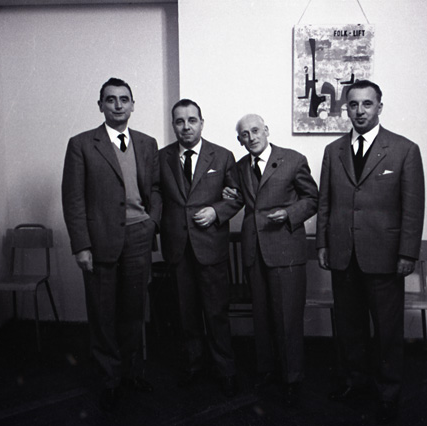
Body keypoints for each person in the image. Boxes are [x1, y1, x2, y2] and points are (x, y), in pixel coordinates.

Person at [316, 80, 425, 424]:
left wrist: (407, 254)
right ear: (345, 109)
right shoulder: (333, 151)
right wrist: (322, 244)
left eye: (367, 104)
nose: (360, 111)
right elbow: (324, 202)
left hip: (385, 257)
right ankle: (355, 383)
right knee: (349, 328)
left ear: (379, 107)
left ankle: (389, 393)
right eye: (353, 104)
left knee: (387, 332)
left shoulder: (404, 149)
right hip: (343, 254)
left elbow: (413, 208)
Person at [61, 77, 161, 412]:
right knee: (103, 314)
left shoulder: (147, 143)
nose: (118, 105)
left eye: (124, 99)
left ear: (133, 105)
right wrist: (81, 245)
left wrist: (151, 223)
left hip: (138, 238)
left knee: (134, 312)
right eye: (111, 99)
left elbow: (156, 189)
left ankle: (132, 373)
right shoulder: (81, 144)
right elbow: (73, 198)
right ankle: (110, 380)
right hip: (99, 241)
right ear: (101, 105)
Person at [223, 114, 319, 405]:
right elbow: (238, 199)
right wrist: (228, 195)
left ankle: (292, 377)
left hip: (285, 250)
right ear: (239, 140)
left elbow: (312, 198)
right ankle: (266, 371)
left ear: (266, 131)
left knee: (287, 318)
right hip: (254, 250)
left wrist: (289, 214)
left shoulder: (293, 159)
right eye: (244, 134)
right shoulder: (240, 167)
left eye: (255, 131)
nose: (251, 137)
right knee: (262, 317)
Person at [158, 99, 241, 397]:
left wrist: (216, 211)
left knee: (216, 312)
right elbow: (155, 195)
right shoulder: (161, 157)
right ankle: (193, 366)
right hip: (177, 247)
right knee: (186, 313)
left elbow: (237, 196)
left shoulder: (223, 156)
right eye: (180, 121)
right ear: (173, 125)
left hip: (210, 246)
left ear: (202, 123)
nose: (186, 127)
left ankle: (225, 369)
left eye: (192, 120)